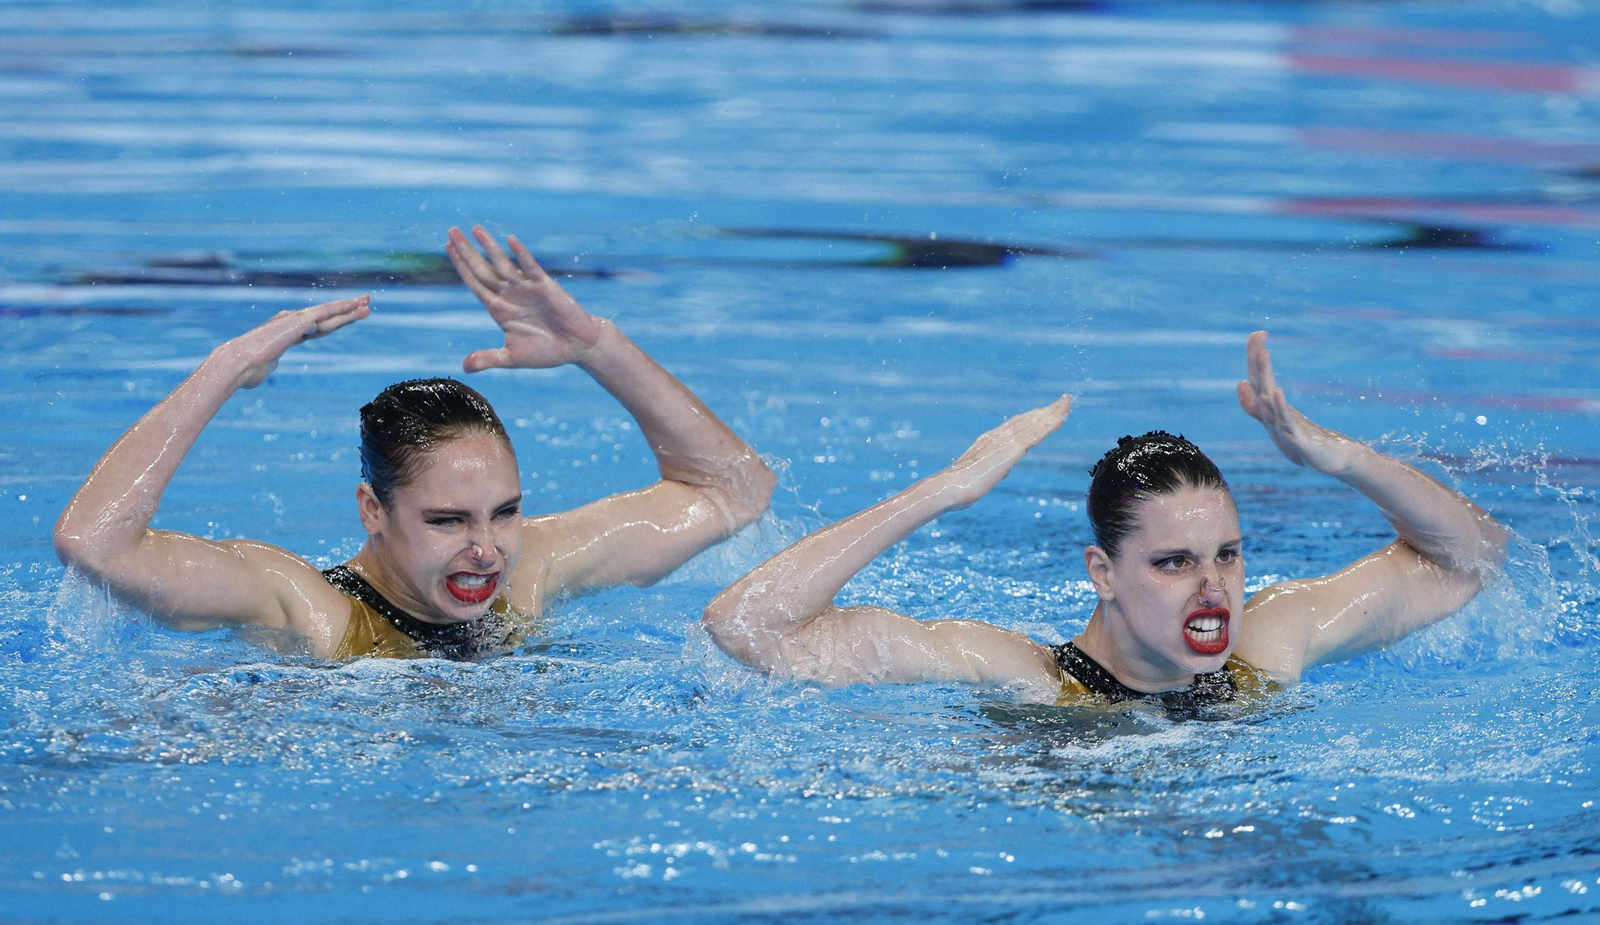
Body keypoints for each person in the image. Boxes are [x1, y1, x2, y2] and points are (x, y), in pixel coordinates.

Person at [54, 226, 775, 660]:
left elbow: (735, 492)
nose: (486, 549)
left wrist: (598, 348)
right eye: (447, 520)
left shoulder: (530, 575)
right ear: (373, 510)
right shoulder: (307, 609)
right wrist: (226, 369)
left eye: (504, 512)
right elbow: (96, 544)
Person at [702, 332, 1506, 709]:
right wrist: (942, 491)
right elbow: (746, 627)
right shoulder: (1024, 681)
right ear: (1102, 573)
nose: (1213, 589)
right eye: (1173, 562)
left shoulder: (1269, 648)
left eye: (1227, 555)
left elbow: (1469, 560)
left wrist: (1339, 459)